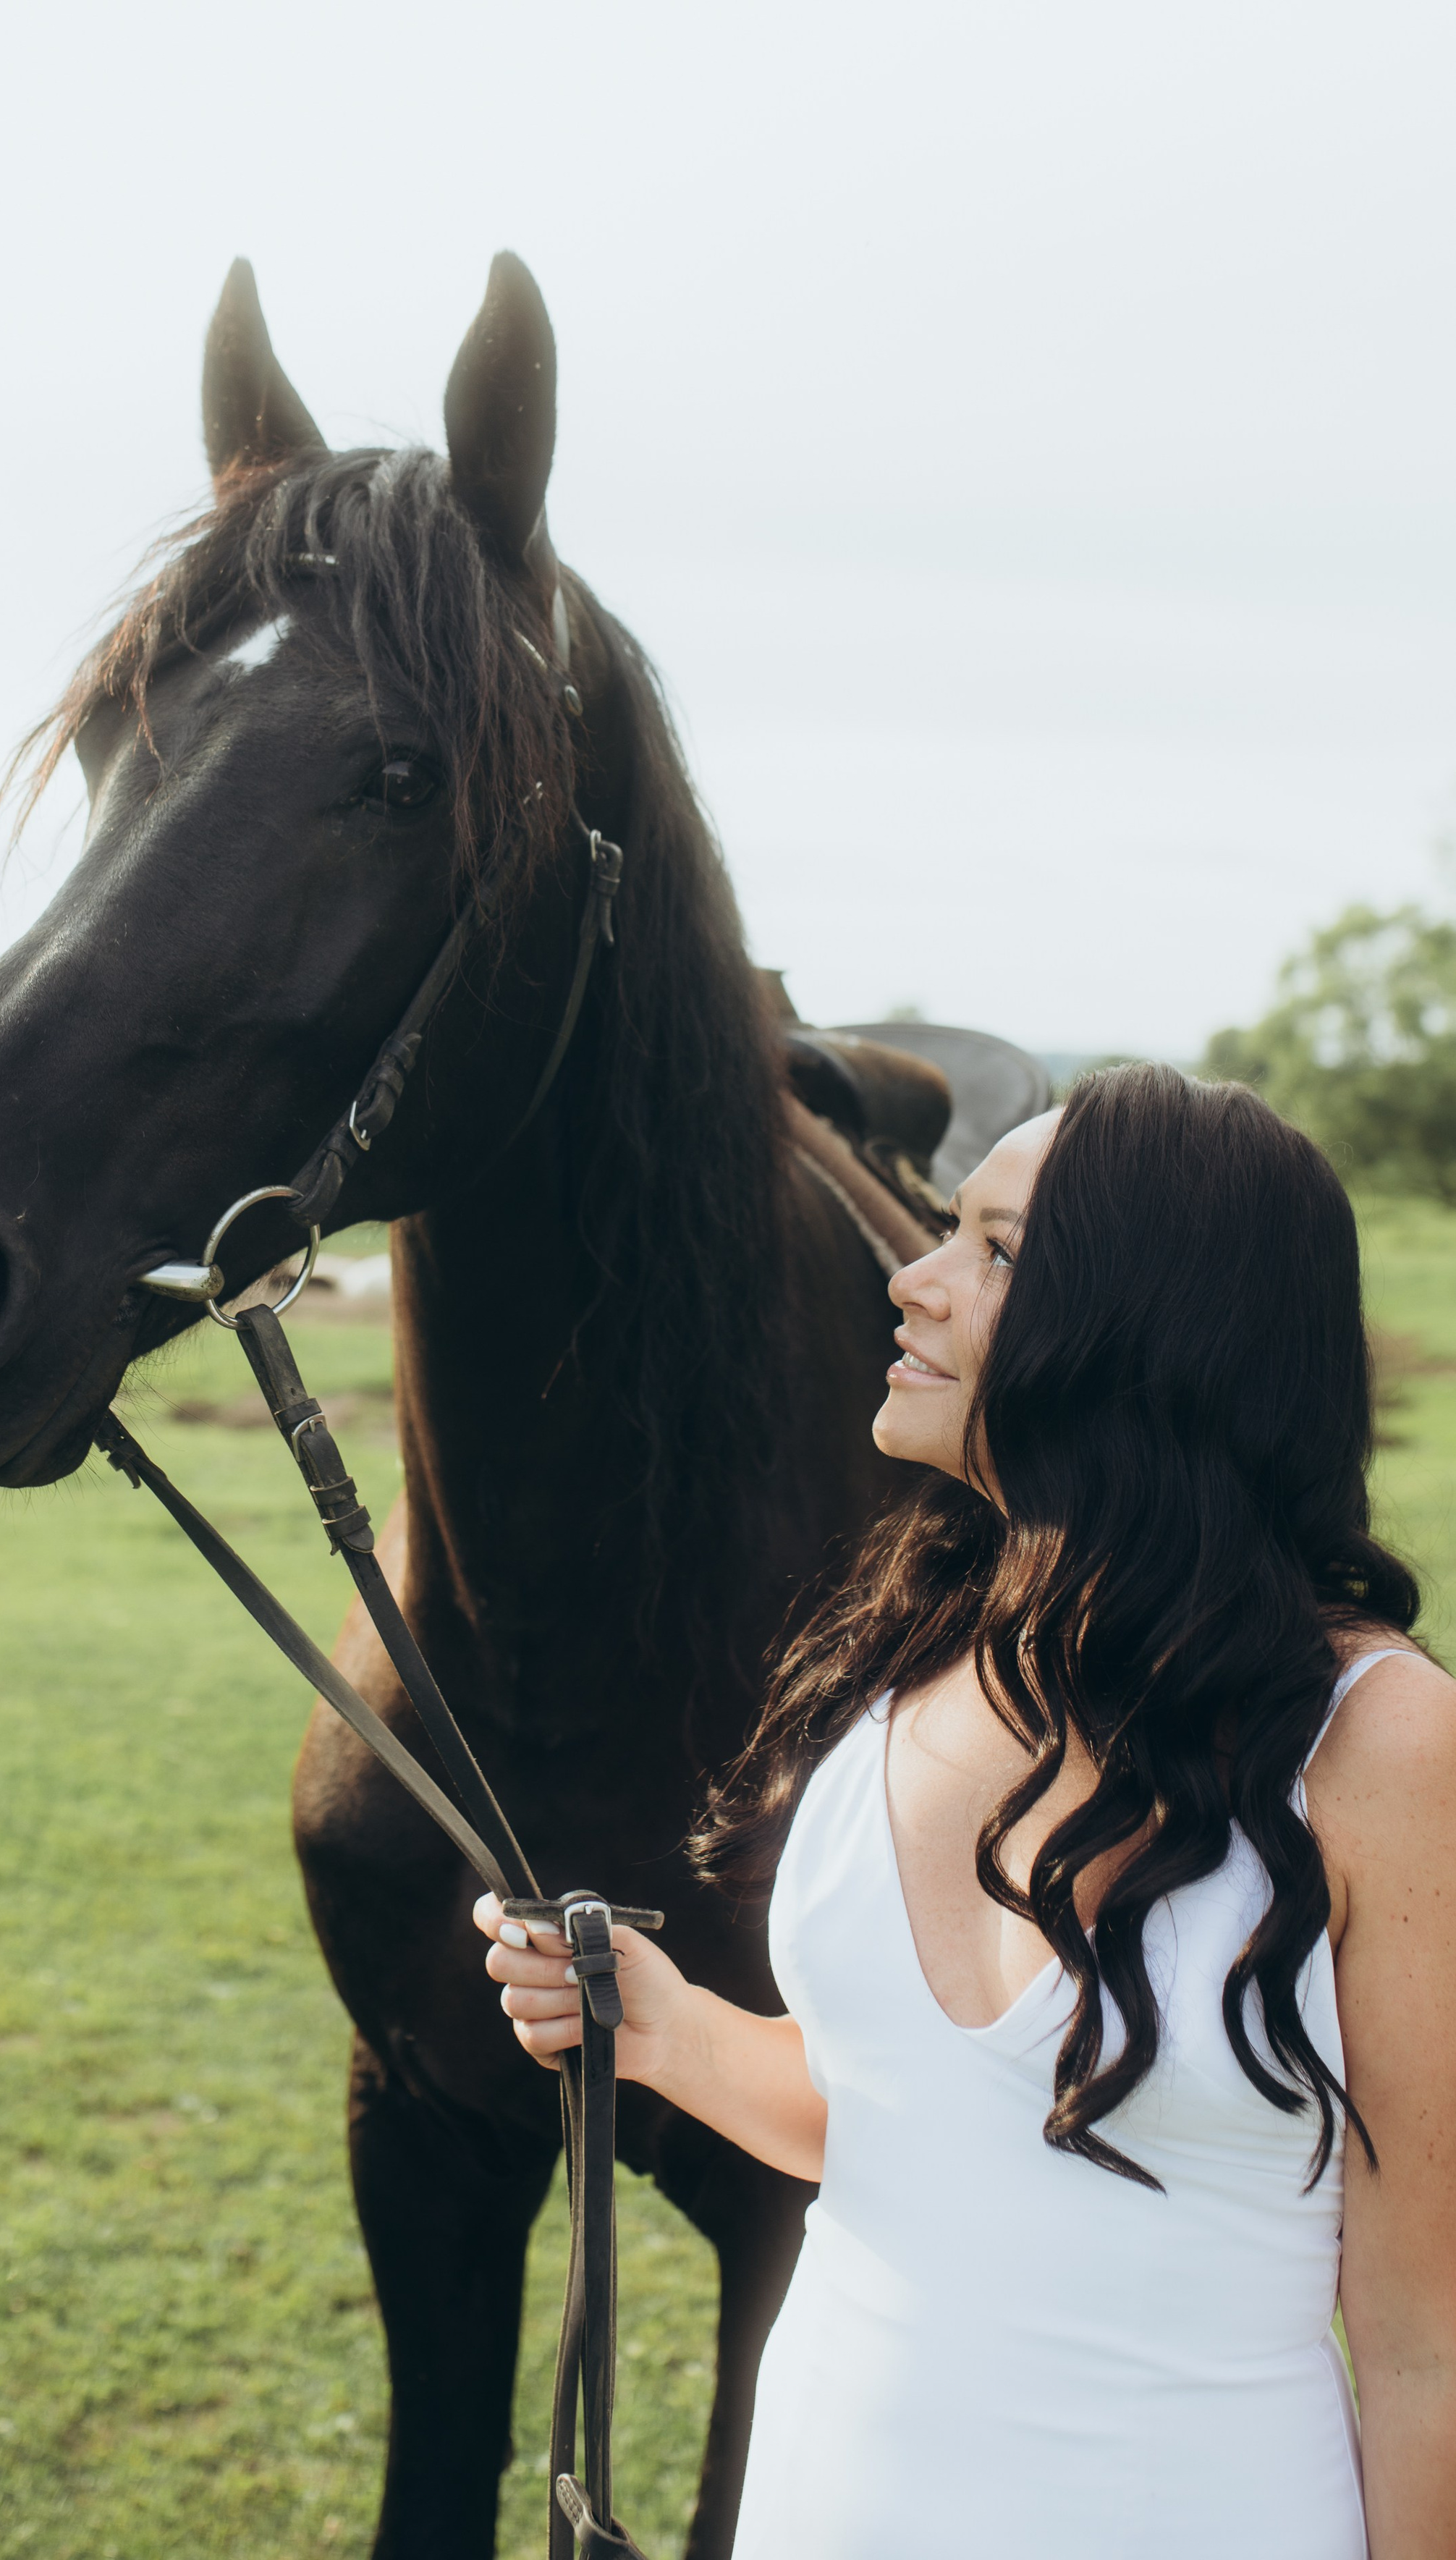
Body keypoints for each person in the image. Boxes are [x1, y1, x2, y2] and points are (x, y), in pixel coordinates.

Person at [473, 1064, 1456, 2559]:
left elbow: (1421, 2343)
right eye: (946, 1231)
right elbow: (904, 2122)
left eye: (993, 1252)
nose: (912, 1281)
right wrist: (660, 2029)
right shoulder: (904, 1664)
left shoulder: (1375, 1741)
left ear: (1149, 1330)